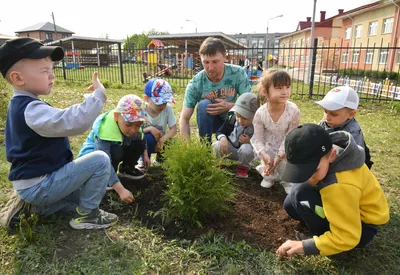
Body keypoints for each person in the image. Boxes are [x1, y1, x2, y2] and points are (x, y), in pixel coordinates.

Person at [0, 37, 118, 230]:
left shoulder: (24, 105)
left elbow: (61, 118)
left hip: (37, 182)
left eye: (52, 70)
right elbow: (72, 122)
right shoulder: (30, 109)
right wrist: (98, 96)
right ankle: (87, 216)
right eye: (44, 71)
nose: (51, 76)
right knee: (100, 160)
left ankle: (36, 209)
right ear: (18, 78)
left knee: (84, 196)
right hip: (39, 184)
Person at [276, 124, 389, 257]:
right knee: (292, 202)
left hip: (360, 228)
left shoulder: (338, 186)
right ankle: (326, 231)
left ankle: (335, 247)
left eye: (314, 170)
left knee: (301, 193)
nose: (308, 177)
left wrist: (305, 246)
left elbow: (348, 236)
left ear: (331, 156)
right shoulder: (337, 154)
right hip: (349, 210)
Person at [78, 94, 150, 204]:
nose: (133, 129)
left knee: (138, 142)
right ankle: (105, 180)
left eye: (138, 124)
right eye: (129, 124)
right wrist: (121, 190)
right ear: (116, 116)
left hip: (114, 151)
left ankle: (126, 169)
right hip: (92, 161)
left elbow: (141, 137)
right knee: (116, 152)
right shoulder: (106, 131)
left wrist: (145, 154)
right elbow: (104, 162)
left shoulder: (133, 128)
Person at [179, 37, 252, 143]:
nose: (210, 67)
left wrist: (229, 106)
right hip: (211, 122)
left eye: (215, 61)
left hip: (235, 121)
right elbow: (184, 118)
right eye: (206, 62)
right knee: (204, 104)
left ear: (224, 57)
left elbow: (250, 104)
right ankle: (206, 150)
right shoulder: (196, 83)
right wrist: (186, 148)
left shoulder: (238, 73)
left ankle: (239, 142)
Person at [250, 68, 300, 194]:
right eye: (278, 88)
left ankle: (286, 180)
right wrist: (263, 154)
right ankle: (269, 176)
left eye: (287, 87)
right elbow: (258, 138)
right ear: (264, 92)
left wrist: (280, 154)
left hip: (287, 144)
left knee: (285, 162)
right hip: (269, 144)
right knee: (268, 158)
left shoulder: (293, 111)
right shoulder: (260, 114)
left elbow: (290, 136)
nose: (285, 92)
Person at [315, 85, 373, 168]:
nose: (327, 117)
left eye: (334, 114)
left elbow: (352, 158)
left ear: (351, 114)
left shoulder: (352, 132)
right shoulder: (326, 122)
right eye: (325, 111)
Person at [213, 93, 258, 178]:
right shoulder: (232, 119)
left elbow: (262, 141)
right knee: (216, 145)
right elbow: (220, 131)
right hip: (231, 149)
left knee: (246, 149)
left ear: (255, 115)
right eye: (238, 116)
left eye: (245, 117)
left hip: (247, 153)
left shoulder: (258, 125)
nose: (240, 120)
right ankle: (219, 166)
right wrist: (223, 138)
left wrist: (250, 141)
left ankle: (242, 170)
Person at [142, 78, 177, 164]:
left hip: (161, 140)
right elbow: (136, 132)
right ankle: (143, 159)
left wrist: (162, 139)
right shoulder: (141, 110)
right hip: (146, 142)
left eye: (165, 102)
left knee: (173, 142)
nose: (163, 106)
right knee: (147, 138)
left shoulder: (167, 109)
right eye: (159, 103)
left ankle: (161, 159)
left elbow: (173, 129)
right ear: (146, 99)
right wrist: (150, 129)